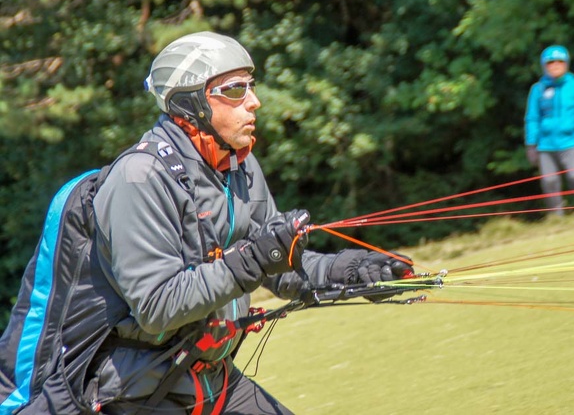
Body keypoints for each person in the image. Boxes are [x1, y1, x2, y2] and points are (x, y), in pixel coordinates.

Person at [2, 31, 413, 414]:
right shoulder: (139, 179)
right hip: (132, 395)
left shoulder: (239, 166)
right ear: (190, 104)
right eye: (235, 90)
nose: (254, 101)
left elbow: (278, 265)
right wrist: (250, 261)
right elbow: (156, 307)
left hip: (206, 379)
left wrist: (349, 270)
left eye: (251, 85)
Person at [524, 44, 574, 215]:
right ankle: (557, 218)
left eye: (560, 62)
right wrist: (531, 144)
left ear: (566, 64)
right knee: (549, 182)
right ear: (545, 66)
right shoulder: (537, 89)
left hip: (571, 142)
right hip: (546, 145)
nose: (555, 66)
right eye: (551, 63)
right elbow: (532, 118)